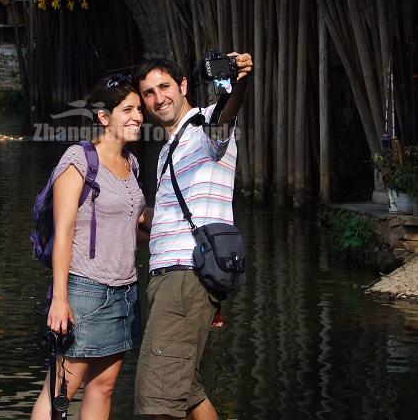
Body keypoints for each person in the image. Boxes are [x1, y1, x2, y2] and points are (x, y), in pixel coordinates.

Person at [133, 53, 253, 420]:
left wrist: (237, 81)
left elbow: (227, 113)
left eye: (165, 87)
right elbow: (173, 216)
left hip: (184, 276)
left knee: (157, 403)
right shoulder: (171, 145)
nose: (158, 99)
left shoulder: (205, 128)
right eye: (149, 93)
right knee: (187, 394)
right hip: (171, 279)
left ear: (183, 85)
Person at [31, 74, 147, 420]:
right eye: (127, 109)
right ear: (103, 117)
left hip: (125, 292)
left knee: (104, 387)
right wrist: (60, 299)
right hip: (85, 291)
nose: (137, 117)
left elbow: (129, 224)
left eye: (139, 109)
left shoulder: (131, 163)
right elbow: (64, 232)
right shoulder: (78, 160)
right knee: (60, 390)